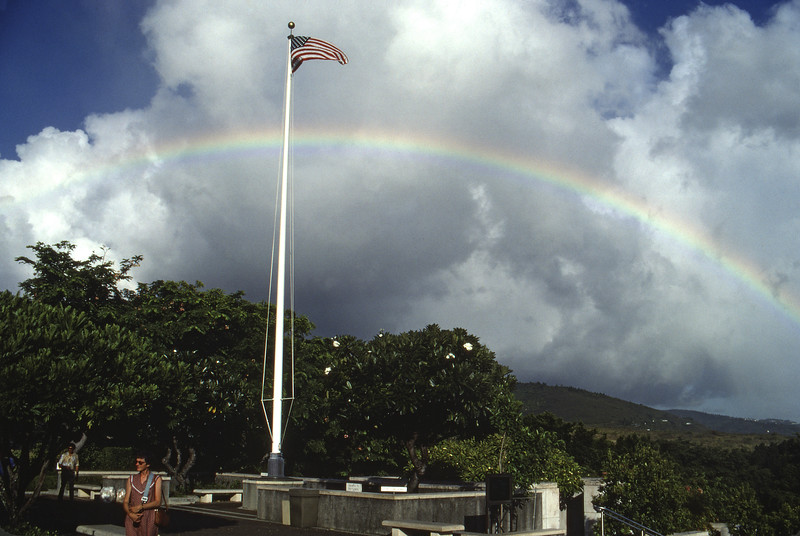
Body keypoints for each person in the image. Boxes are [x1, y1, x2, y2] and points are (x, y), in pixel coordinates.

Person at [123, 452, 162, 536]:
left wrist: (141, 507)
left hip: (149, 518)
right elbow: (126, 501)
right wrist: (130, 514)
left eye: (140, 462)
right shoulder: (131, 479)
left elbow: (158, 502)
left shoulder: (156, 479)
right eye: (136, 462)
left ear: (148, 464)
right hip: (132, 517)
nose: (137, 464)